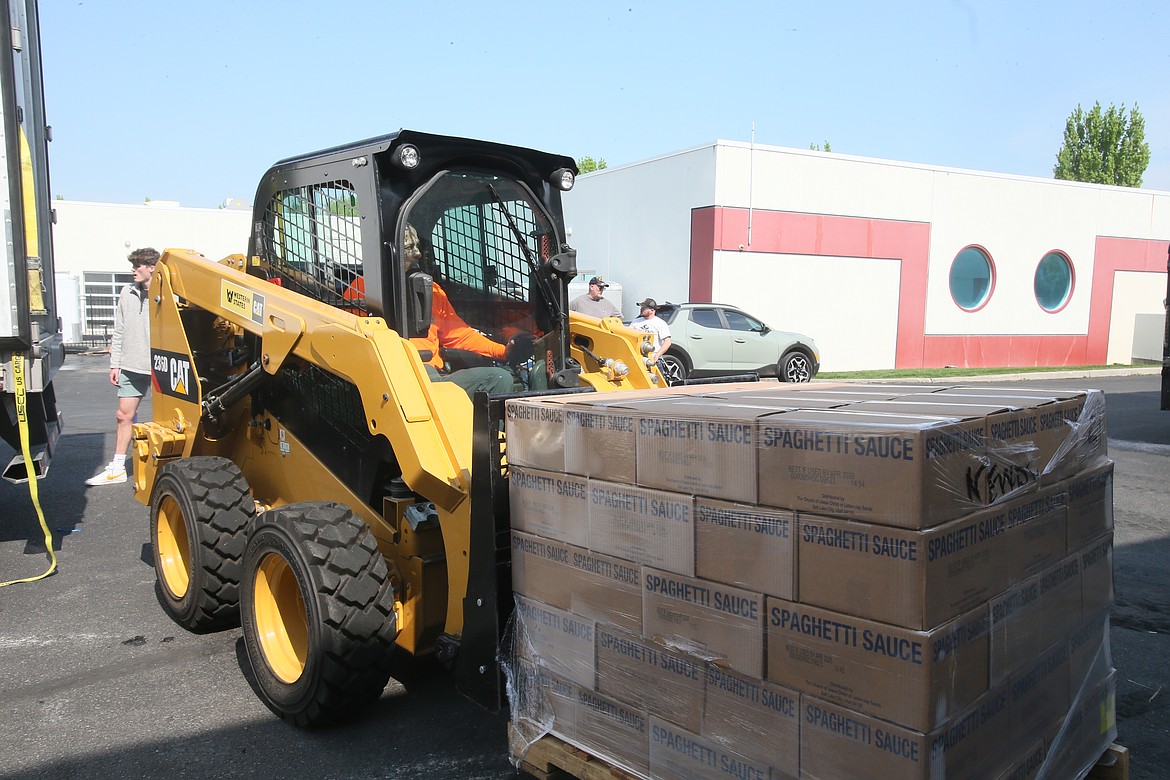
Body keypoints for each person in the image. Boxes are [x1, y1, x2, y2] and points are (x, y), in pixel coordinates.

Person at [402, 224, 521, 397]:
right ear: (392, 252)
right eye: (408, 248)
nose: (418, 254)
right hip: (404, 375)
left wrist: (503, 352)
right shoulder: (360, 291)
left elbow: (460, 335)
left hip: (433, 375)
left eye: (417, 246)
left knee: (501, 377)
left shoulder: (432, 291)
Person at [86, 247, 160, 486]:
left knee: (171, 422)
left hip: (162, 365)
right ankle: (117, 467)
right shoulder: (126, 292)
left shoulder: (169, 292)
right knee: (123, 415)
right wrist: (115, 363)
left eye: (137, 265)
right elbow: (119, 330)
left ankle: (170, 466)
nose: (133, 270)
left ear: (151, 267)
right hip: (131, 363)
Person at [630, 298, 672, 365]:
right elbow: (628, 336)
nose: (641, 309)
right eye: (641, 307)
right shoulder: (635, 322)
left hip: (653, 360)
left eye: (644, 308)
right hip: (638, 359)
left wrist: (657, 355)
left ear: (652, 310)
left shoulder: (660, 323)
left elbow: (668, 342)